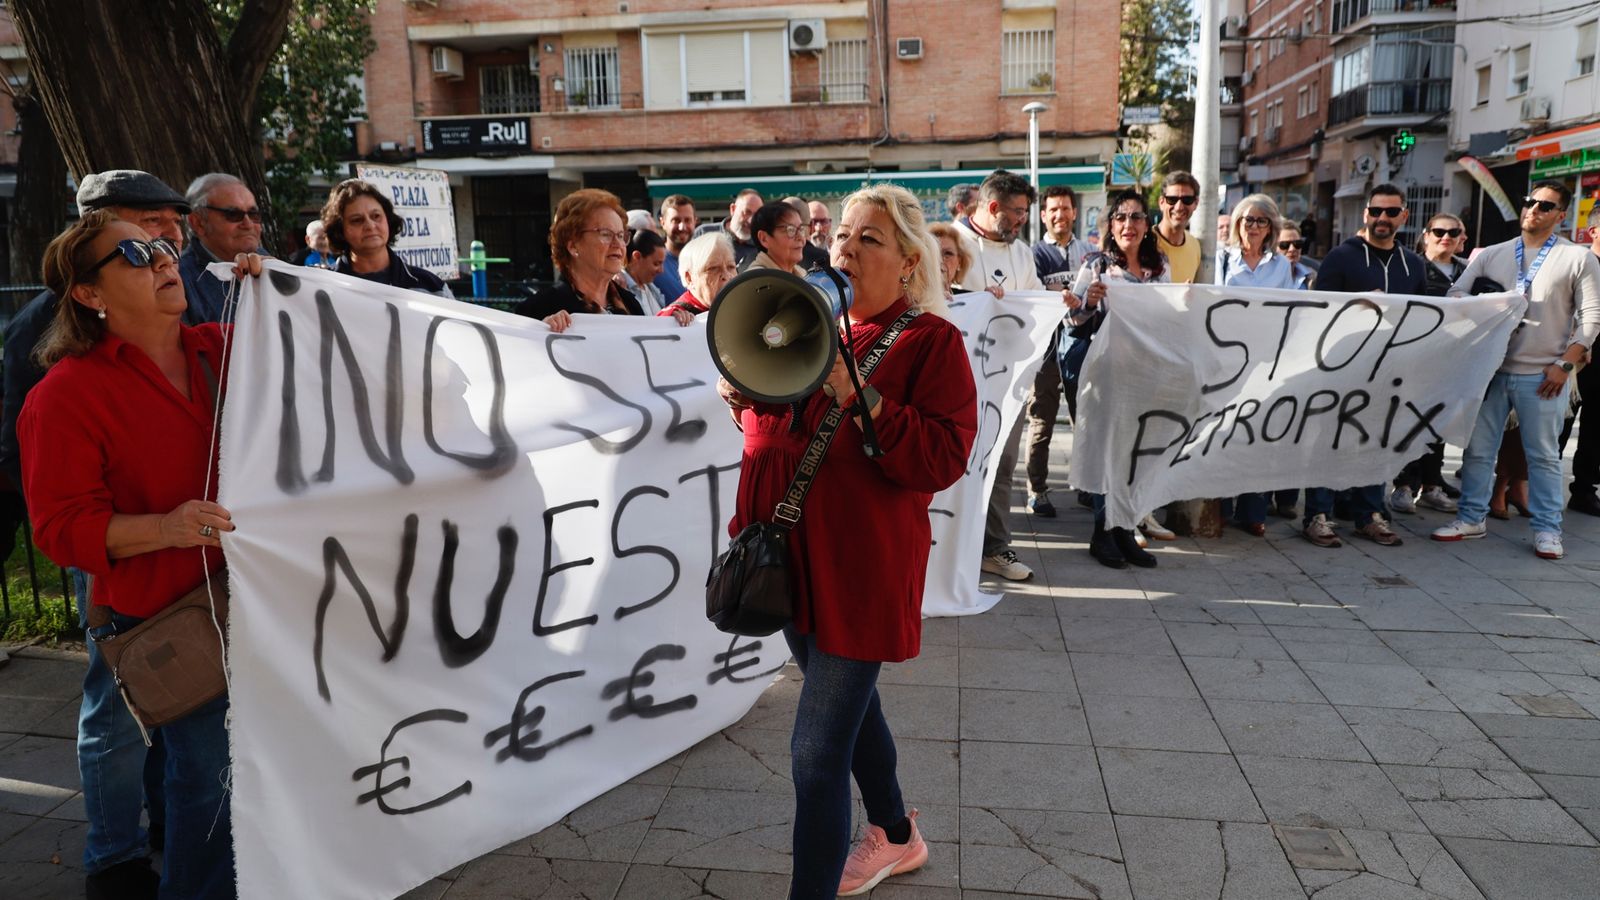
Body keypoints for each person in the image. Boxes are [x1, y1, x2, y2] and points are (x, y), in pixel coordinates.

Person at [717, 183, 976, 897]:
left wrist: (863, 399)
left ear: (908, 264)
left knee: (814, 751)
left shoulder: (933, 343)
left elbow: (943, 457)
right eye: (846, 235)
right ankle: (896, 833)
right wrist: (746, 399)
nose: (848, 247)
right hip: (794, 560)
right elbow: (777, 442)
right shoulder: (812, 325)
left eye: (870, 238)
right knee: (854, 710)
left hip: (860, 571)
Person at [20, 211, 263, 900]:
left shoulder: (229, 345)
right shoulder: (65, 396)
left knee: (262, 782)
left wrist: (558, 339)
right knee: (209, 793)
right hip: (176, 622)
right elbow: (61, 530)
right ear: (89, 296)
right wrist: (167, 528)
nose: (161, 259)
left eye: (164, 246)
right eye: (134, 253)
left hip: (272, 604)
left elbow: (353, 357)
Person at [1, 171, 186, 900]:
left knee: (185, 714)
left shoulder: (193, 322)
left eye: (168, 228)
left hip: (192, 568)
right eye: (145, 231)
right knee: (118, 708)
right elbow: (37, 468)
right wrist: (124, 532)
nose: (165, 243)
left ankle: (175, 830)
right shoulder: (46, 350)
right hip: (115, 565)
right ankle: (115, 857)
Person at [1432, 182, 1600, 560]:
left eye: (1545, 205)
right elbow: (1455, 295)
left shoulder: (1577, 258)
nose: (1533, 209)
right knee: (1477, 451)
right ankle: (1471, 518)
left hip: (1543, 375)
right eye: (1529, 202)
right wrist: (1486, 302)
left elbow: (1591, 320)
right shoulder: (1493, 254)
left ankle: (1547, 530)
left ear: (1560, 215)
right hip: (1489, 371)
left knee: (1542, 456)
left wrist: (1565, 365)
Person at [1297, 183, 1425, 549]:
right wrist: (1359, 305)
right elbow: (1321, 311)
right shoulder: (1341, 257)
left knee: (1376, 442)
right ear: (1365, 214)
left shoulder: (1413, 264)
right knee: (1329, 441)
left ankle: (1369, 515)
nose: (1382, 218)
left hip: (1389, 370)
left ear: (1404, 216)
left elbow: (1424, 316)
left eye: (1390, 212)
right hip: (1342, 367)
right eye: (1375, 211)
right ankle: (1317, 516)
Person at [1067, 189, 1170, 568]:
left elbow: (1166, 320)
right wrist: (1090, 302)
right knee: (1105, 453)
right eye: (1121, 217)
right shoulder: (1095, 265)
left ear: (1147, 223)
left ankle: (1125, 531)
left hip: (1146, 375)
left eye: (1137, 217)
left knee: (1133, 456)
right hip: (1106, 374)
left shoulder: (1159, 266)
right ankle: (1102, 533)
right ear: (1111, 225)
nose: (1129, 224)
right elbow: (1072, 320)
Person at [953, 170, 1044, 581]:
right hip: (956, 381)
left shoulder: (1021, 254)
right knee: (954, 465)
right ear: (993, 208)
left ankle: (994, 547)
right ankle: (947, 549)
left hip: (1005, 380)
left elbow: (1035, 303)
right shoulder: (950, 243)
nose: (1024, 218)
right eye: (1019, 211)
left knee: (1002, 466)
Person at [1215, 195, 1295, 536]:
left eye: (1261, 221)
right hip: (1226, 360)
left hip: (1265, 362)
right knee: (1223, 435)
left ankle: (1253, 511)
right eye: (1248, 219)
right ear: (1236, 224)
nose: (1253, 226)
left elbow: (1290, 309)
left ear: (1271, 227)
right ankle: (1219, 506)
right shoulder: (1220, 258)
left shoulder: (1280, 266)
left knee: (1258, 437)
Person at [1389, 215, 1470, 515]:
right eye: (1438, 231)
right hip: (1415, 359)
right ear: (1426, 236)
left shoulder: (1467, 272)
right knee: (1409, 424)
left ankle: (1433, 486)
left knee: (1439, 424)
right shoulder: (1412, 267)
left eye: (1453, 232)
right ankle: (1405, 485)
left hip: (1452, 361)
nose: (1445, 237)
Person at [1024, 185, 1093, 518]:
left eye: (1065, 208)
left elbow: (1097, 292)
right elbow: (1032, 290)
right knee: (1042, 422)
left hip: (1082, 346)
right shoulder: (1034, 254)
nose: (1059, 215)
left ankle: (1086, 486)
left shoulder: (1089, 252)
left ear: (1074, 212)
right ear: (1043, 215)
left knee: (1086, 421)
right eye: (1053, 209)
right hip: (1046, 351)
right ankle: (1037, 490)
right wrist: (1063, 290)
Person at [514, 188, 643, 332]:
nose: (618, 244)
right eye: (606, 234)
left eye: (620, 235)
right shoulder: (539, 309)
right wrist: (540, 332)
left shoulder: (631, 304)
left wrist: (670, 323)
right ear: (573, 246)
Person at [321, 179, 453, 298]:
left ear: (388, 221)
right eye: (357, 220)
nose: (370, 225)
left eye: (376, 216)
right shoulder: (321, 289)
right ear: (339, 231)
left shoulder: (432, 288)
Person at [178, 173, 266, 325]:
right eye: (233, 214)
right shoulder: (179, 280)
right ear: (198, 223)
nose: (248, 224)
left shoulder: (270, 263)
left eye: (253, 214)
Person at [1565, 207, 1600, 517]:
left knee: (1595, 429)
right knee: (1559, 424)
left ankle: (1584, 489)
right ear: (1594, 232)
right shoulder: (1578, 264)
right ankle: (1531, 484)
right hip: (1575, 358)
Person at [658, 232, 737, 323]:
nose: (726, 276)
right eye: (713, 268)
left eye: (731, 267)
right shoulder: (674, 316)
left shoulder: (743, 306)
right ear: (689, 278)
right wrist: (670, 322)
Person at [1154, 171, 1202, 284]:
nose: (1179, 207)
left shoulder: (1195, 246)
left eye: (1187, 200)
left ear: (1196, 203)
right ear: (1161, 202)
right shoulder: (1144, 242)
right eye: (1172, 199)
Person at [693, 187, 762, 266]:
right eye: (746, 212)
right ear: (733, 209)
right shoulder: (704, 233)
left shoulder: (761, 244)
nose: (751, 220)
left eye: (756, 215)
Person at [745, 201, 810, 276]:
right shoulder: (756, 280)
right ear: (764, 239)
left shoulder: (803, 275)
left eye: (801, 229)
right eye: (791, 230)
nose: (800, 238)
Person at [654, 194, 697, 301]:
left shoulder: (704, 260)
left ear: (695, 222)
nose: (682, 227)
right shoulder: (653, 262)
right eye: (676, 220)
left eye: (687, 220)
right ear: (662, 222)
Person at [618, 228, 667, 314]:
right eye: (656, 264)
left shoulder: (651, 288)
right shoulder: (618, 287)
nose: (661, 270)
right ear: (637, 257)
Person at [927, 222, 971, 297]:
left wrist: (991, 297)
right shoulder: (910, 301)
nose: (940, 259)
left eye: (948, 253)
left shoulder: (969, 298)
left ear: (959, 262)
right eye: (934, 252)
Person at [1278, 224, 1316, 290]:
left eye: (1297, 244)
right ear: (1273, 247)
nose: (1292, 249)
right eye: (1284, 245)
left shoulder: (1313, 275)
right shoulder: (1265, 276)